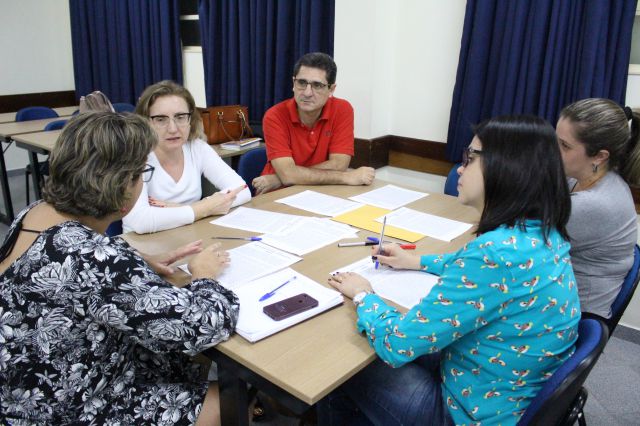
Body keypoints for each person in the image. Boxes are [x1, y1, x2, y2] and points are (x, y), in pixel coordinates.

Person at [320, 116, 580, 426]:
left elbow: (397, 344)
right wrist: (416, 261)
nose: (459, 168)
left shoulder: (494, 254)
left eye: (471, 158)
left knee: (341, 366)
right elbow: (468, 263)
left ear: (506, 167)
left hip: (465, 414)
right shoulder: (541, 233)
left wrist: (364, 295)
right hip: (506, 391)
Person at [0, 112, 239, 425]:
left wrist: (130, 256)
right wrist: (204, 275)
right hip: (66, 409)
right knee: (234, 400)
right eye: (141, 173)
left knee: (166, 354)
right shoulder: (95, 259)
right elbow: (204, 324)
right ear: (122, 186)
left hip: (25, 388)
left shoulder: (35, 212)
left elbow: (71, 262)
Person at [123, 80, 251, 234]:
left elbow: (242, 190)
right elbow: (141, 222)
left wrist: (185, 209)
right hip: (142, 244)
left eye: (180, 117)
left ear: (191, 119)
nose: (173, 129)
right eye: (161, 119)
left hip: (188, 235)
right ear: (145, 122)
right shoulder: (134, 156)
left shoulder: (197, 147)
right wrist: (205, 208)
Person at [556, 98, 639, 319]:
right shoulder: (586, 177)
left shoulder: (594, 204)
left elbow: (523, 243)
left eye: (564, 145)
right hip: (562, 292)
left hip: (574, 314)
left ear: (600, 156)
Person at [251, 52, 375, 195]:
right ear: (293, 83)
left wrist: (280, 178)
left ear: (331, 89)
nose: (307, 93)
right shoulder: (274, 116)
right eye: (302, 83)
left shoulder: (342, 109)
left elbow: (339, 164)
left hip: (318, 190)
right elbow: (288, 175)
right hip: (277, 193)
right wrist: (346, 177)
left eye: (317, 85)